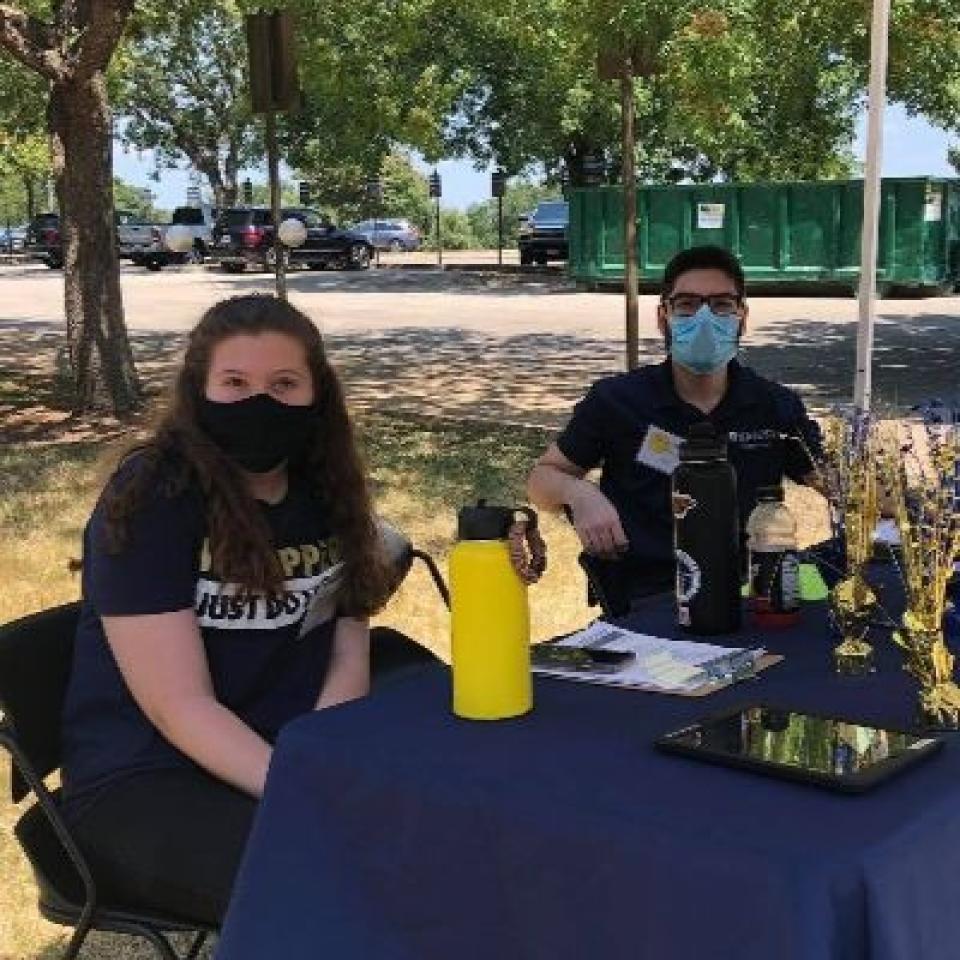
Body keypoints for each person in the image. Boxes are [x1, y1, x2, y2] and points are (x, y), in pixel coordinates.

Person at [60, 294, 417, 925]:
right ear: (199, 391)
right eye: (234, 383)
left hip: (283, 749)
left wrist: (326, 760)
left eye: (284, 384)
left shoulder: (326, 490)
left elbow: (345, 645)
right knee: (336, 890)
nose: (260, 403)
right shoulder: (153, 497)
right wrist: (302, 787)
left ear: (317, 396)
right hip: (145, 779)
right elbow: (180, 707)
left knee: (437, 843)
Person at [527, 245, 823, 602]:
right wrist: (579, 493)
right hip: (644, 600)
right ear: (663, 316)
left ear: (742, 317)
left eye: (721, 305)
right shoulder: (618, 401)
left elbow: (838, 482)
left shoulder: (773, 405)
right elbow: (541, 480)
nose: (704, 318)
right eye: (687, 304)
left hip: (749, 597)